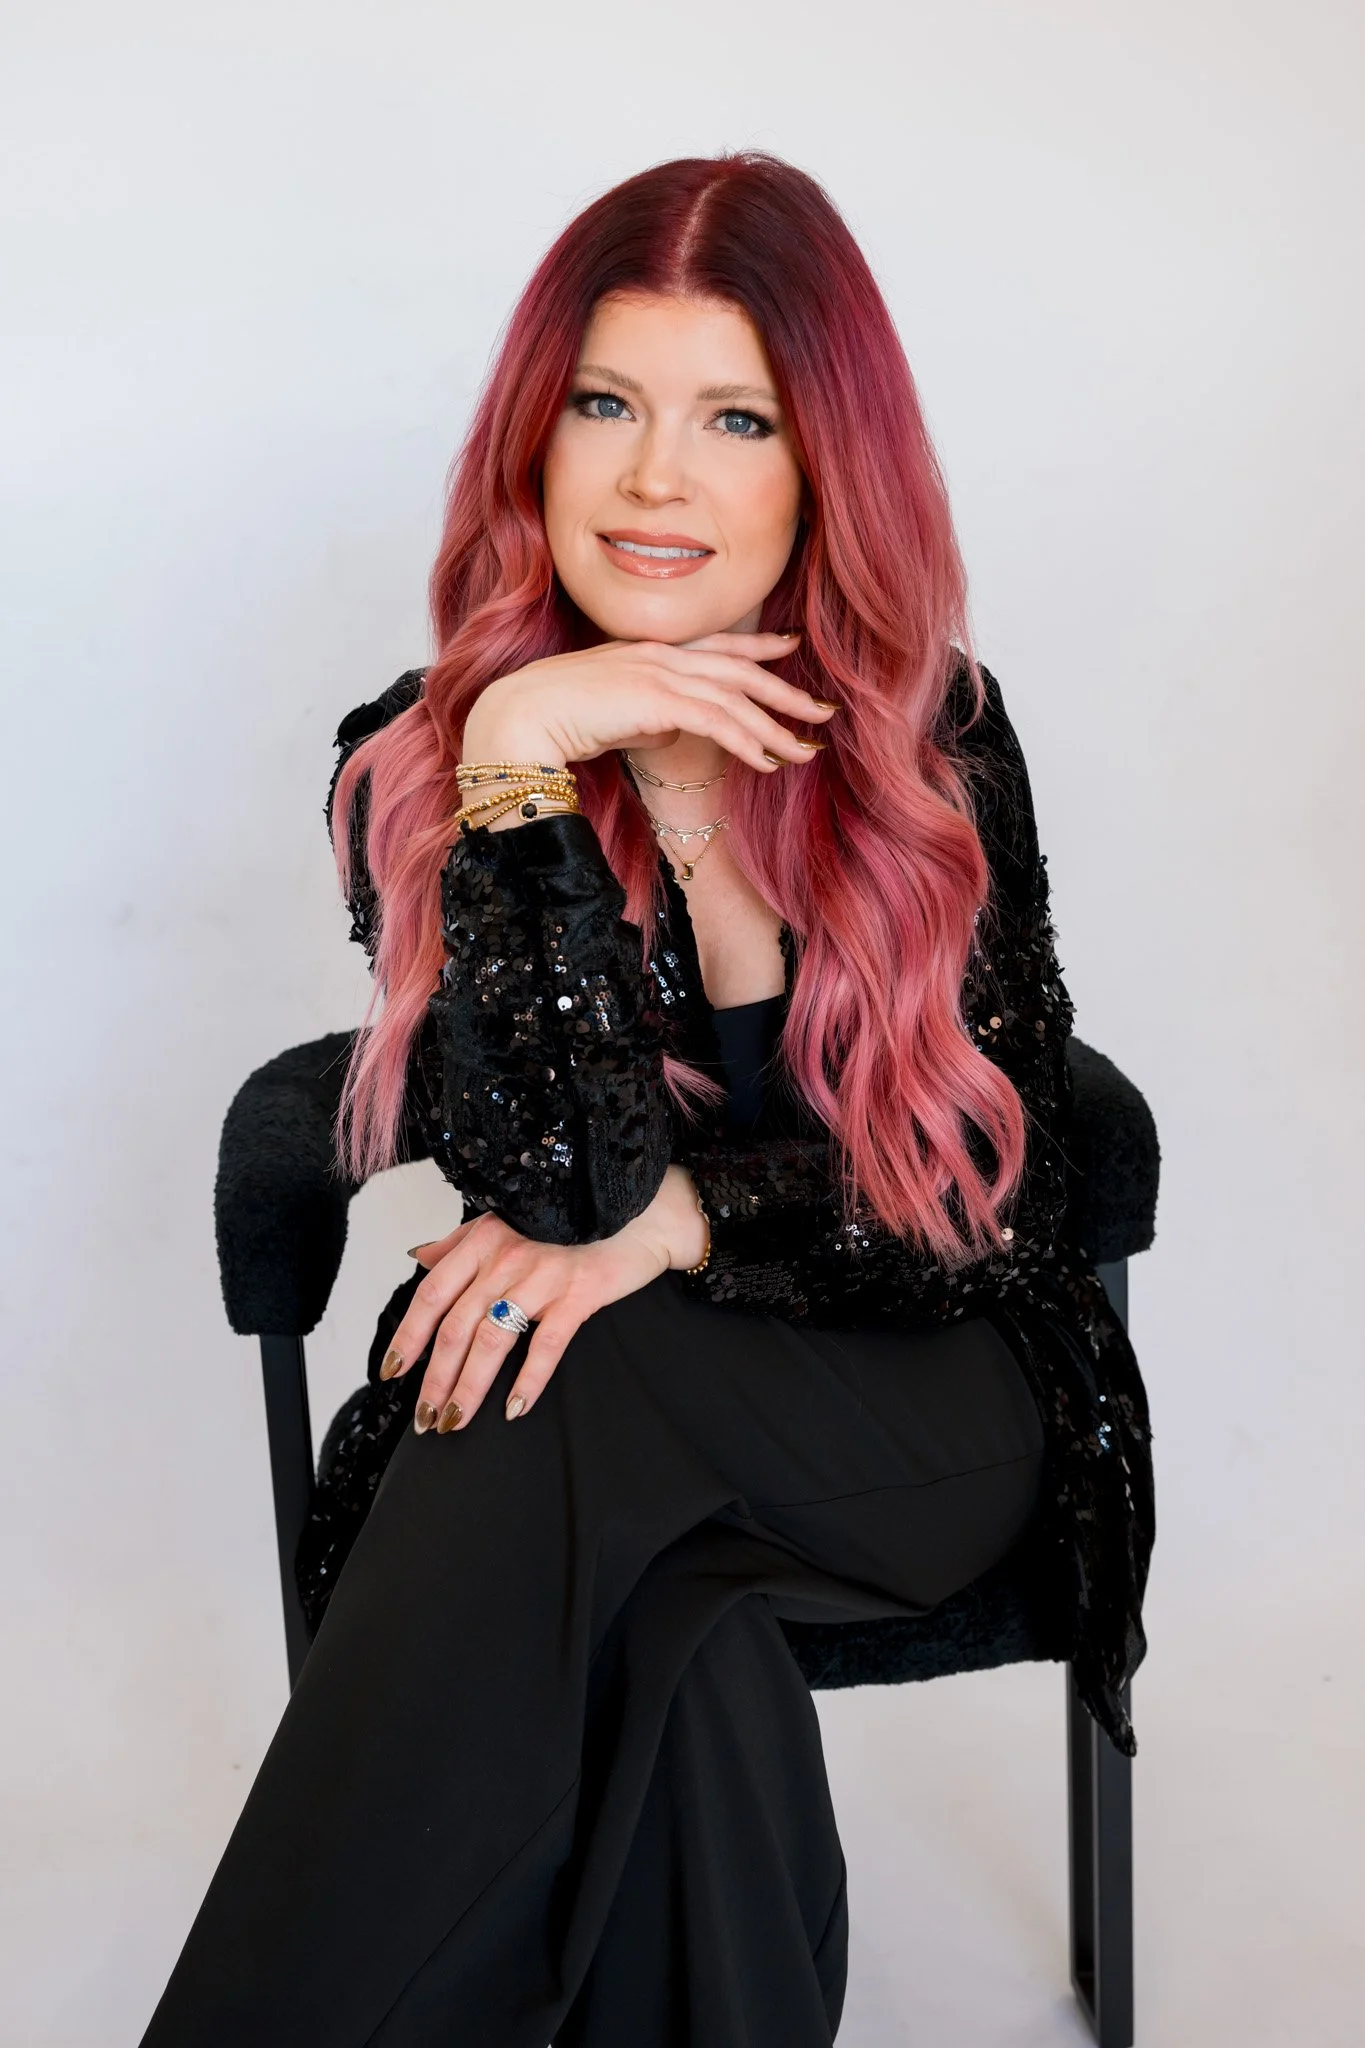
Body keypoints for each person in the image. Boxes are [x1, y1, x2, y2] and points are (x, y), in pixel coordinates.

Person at [140, 150, 1154, 2047]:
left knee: (555, 1370)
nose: (654, 477)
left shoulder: (933, 736)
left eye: (733, 416)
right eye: (605, 404)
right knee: (683, 1652)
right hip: (629, 1459)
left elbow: (977, 1204)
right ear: (537, 437)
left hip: (932, 1402)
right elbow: (548, 1178)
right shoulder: (427, 761)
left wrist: (687, 1224)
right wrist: (521, 759)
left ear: (822, 464)